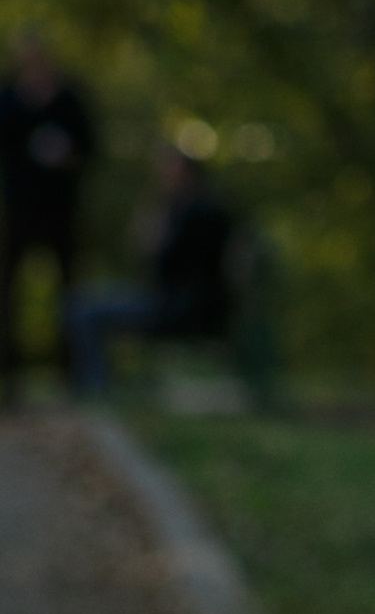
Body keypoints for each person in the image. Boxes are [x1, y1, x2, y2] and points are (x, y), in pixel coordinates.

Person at [65, 142, 237, 397]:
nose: (162, 175)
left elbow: (160, 261)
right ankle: (95, 385)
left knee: (82, 309)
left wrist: (155, 236)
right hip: (185, 302)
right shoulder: (206, 207)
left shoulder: (192, 212)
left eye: (168, 169)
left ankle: (95, 389)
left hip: (177, 306)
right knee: (84, 302)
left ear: (185, 172)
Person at [0, 31, 98, 390]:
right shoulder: (9, 98)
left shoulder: (69, 98)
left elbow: (90, 147)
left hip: (61, 211)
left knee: (70, 290)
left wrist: (65, 154)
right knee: (10, 290)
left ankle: (71, 371)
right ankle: (8, 371)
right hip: (20, 210)